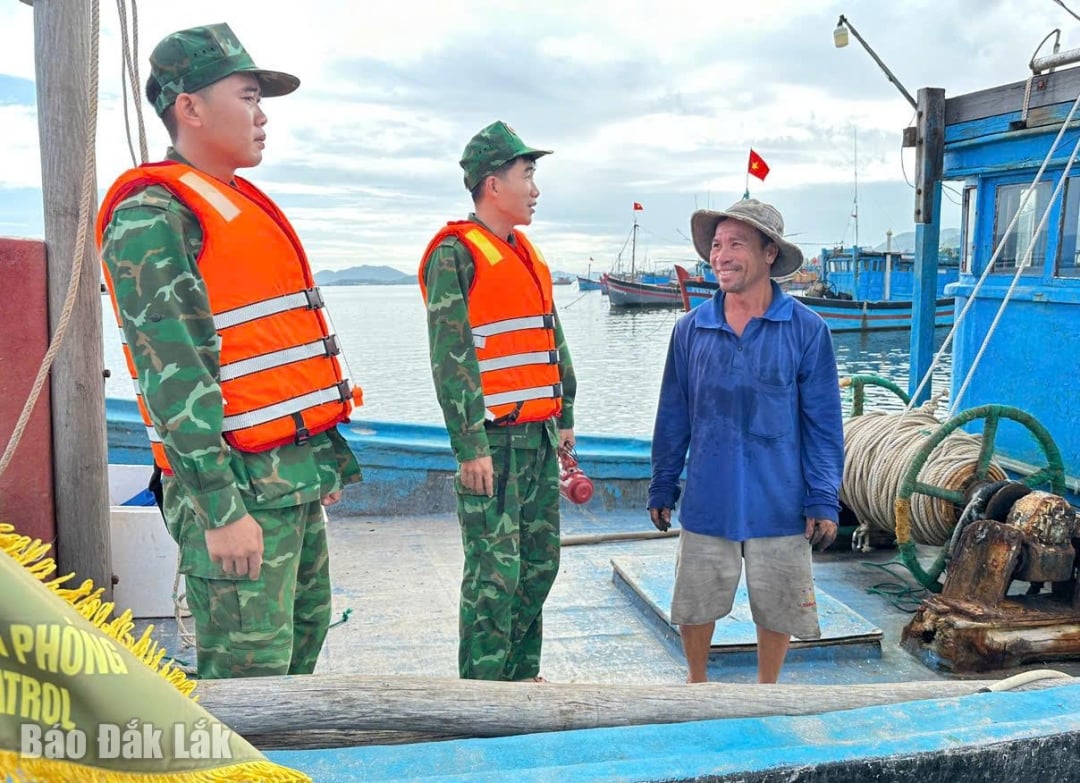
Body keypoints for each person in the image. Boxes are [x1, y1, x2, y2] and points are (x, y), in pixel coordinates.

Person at [96, 23, 363, 679]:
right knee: (251, 679)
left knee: (297, 657)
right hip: (236, 494)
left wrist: (314, 469)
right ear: (189, 107)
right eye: (247, 96)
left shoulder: (233, 204)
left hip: (285, 483)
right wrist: (219, 510)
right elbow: (175, 381)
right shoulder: (153, 217)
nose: (262, 115)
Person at [648, 198, 844, 684]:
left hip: (779, 496)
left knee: (777, 600)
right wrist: (662, 484)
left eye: (736, 244)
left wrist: (823, 497)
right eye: (716, 245)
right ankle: (697, 683)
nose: (721, 256)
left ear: (769, 253)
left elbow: (823, 424)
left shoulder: (807, 330)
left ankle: (767, 689)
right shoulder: (690, 330)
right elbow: (673, 415)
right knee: (697, 597)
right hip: (709, 493)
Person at [418, 121, 577, 682]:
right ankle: (483, 692)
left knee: (539, 564)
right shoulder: (454, 256)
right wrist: (469, 447)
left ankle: (520, 678)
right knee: (494, 573)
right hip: (492, 441)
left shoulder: (527, 255)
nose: (535, 188)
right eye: (527, 174)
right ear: (492, 184)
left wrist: (565, 416)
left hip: (536, 436)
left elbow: (550, 338)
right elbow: (451, 359)